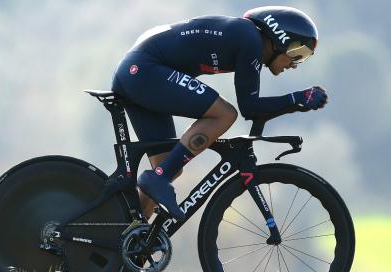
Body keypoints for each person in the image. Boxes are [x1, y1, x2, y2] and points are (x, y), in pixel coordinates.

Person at [111, 6, 328, 222]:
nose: (295, 64)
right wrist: (297, 99)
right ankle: (158, 180)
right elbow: (249, 107)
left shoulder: (247, 39)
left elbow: (254, 110)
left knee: (168, 167)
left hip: (139, 73)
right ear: (278, 38)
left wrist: (296, 102)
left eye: (303, 57)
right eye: (296, 53)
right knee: (224, 114)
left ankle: (129, 237)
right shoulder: (249, 38)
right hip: (143, 71)